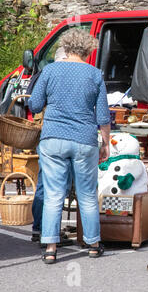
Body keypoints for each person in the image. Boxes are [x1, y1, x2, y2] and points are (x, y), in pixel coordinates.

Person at [29, 28, 111, 264]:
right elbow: (103, 117)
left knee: (54, 194)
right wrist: (106, 144)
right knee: (87, 194)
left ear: (65, 47)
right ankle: (94, 244)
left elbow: (34, 105)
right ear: (87, 51)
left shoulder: (50, 70)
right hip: (84, 140)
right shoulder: (94, 74)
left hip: (53, 139)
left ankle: (50, 248)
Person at [30, 47, 71, 244]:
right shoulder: (69, 75)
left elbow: (34, 104)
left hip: (48, 136)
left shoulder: (46, 74)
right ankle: (50, 234)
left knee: (45, 183)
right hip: (69, 136)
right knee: (60, 187)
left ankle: (40, 229)